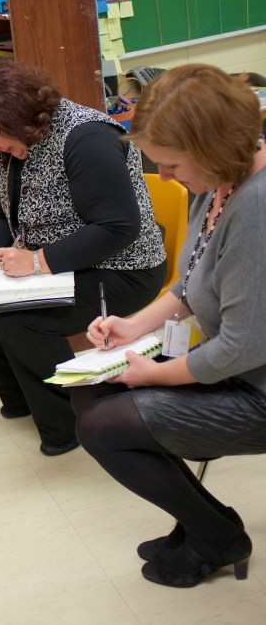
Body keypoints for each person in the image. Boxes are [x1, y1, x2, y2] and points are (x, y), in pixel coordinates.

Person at [75, 64, 266, 588]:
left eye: (170, 164)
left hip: (257, 387)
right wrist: (133, 327)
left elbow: (237, 349)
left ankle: (216, 536)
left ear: (211, 149)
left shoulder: (258, 207)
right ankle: (205, 523)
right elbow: (189, 284)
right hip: (239, 368)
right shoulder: (219, 181)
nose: (163, 178)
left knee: (102, 426)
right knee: (91, 394)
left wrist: (151, 375)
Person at [0, 61, 166, 456]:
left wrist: (36, 263)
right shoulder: (9, 144)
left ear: (18, 115)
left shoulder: (87, 137)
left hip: (123, 268)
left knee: (23, 321)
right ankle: (23, 400)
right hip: (53, 264)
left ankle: (69, 425)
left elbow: (118, 228)